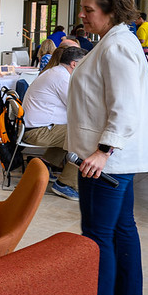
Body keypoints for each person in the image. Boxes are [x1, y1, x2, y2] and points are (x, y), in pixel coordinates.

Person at [67, 0, 148, 295]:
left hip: (106, 163)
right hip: (114, 162)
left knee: (97, 238)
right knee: (122, 229)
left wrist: (102, 151)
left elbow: (123, 109)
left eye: (89, 10)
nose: (83, 15)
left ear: (110, 11)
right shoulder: (115, 41)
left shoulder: (117, 46)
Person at [22, 46, 87, 201]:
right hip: (38, 131)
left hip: (36, 127)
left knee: (71, 130)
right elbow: (79, 106)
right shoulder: (61, 77)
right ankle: (66, 184)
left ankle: (46, 164)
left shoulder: (56, 72)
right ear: (74, 64)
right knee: (85, 137)